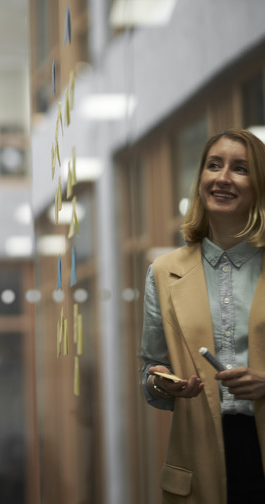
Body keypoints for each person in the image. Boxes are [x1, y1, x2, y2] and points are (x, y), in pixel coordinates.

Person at [140, 128, 265, 503]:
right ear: (200, 181)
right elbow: (151, 369)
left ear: (260, 185)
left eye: (240, 168)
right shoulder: (163, 271)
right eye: (214, 165)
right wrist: (164, 384)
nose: (223, 177)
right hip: (196, 458)